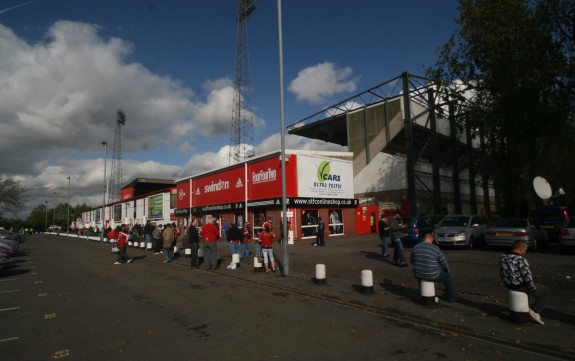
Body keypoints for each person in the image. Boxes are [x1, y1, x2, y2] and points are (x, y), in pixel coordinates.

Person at [500, 240, 550, 325]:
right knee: (545, 290)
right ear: (520, 249)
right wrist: (532, 288)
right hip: (520, 286)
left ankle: (527, 307)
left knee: (532, 290)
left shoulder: (503, 258)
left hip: (509, 285)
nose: (525, 252)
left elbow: (501, 273)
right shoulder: (521, 260)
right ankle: (535, 310)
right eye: (525, 249)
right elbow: (527, 277)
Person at [410, 233, 457, 302]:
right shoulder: (435, 248)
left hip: (418, 274)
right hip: (432, 274)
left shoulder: (415, 247)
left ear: (423, 239)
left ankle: (423, 293)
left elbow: (411, 260)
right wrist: (447, 271)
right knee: (448, 279)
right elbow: (444, 262)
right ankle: (452, 298)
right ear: (431, 240)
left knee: (421, 274)